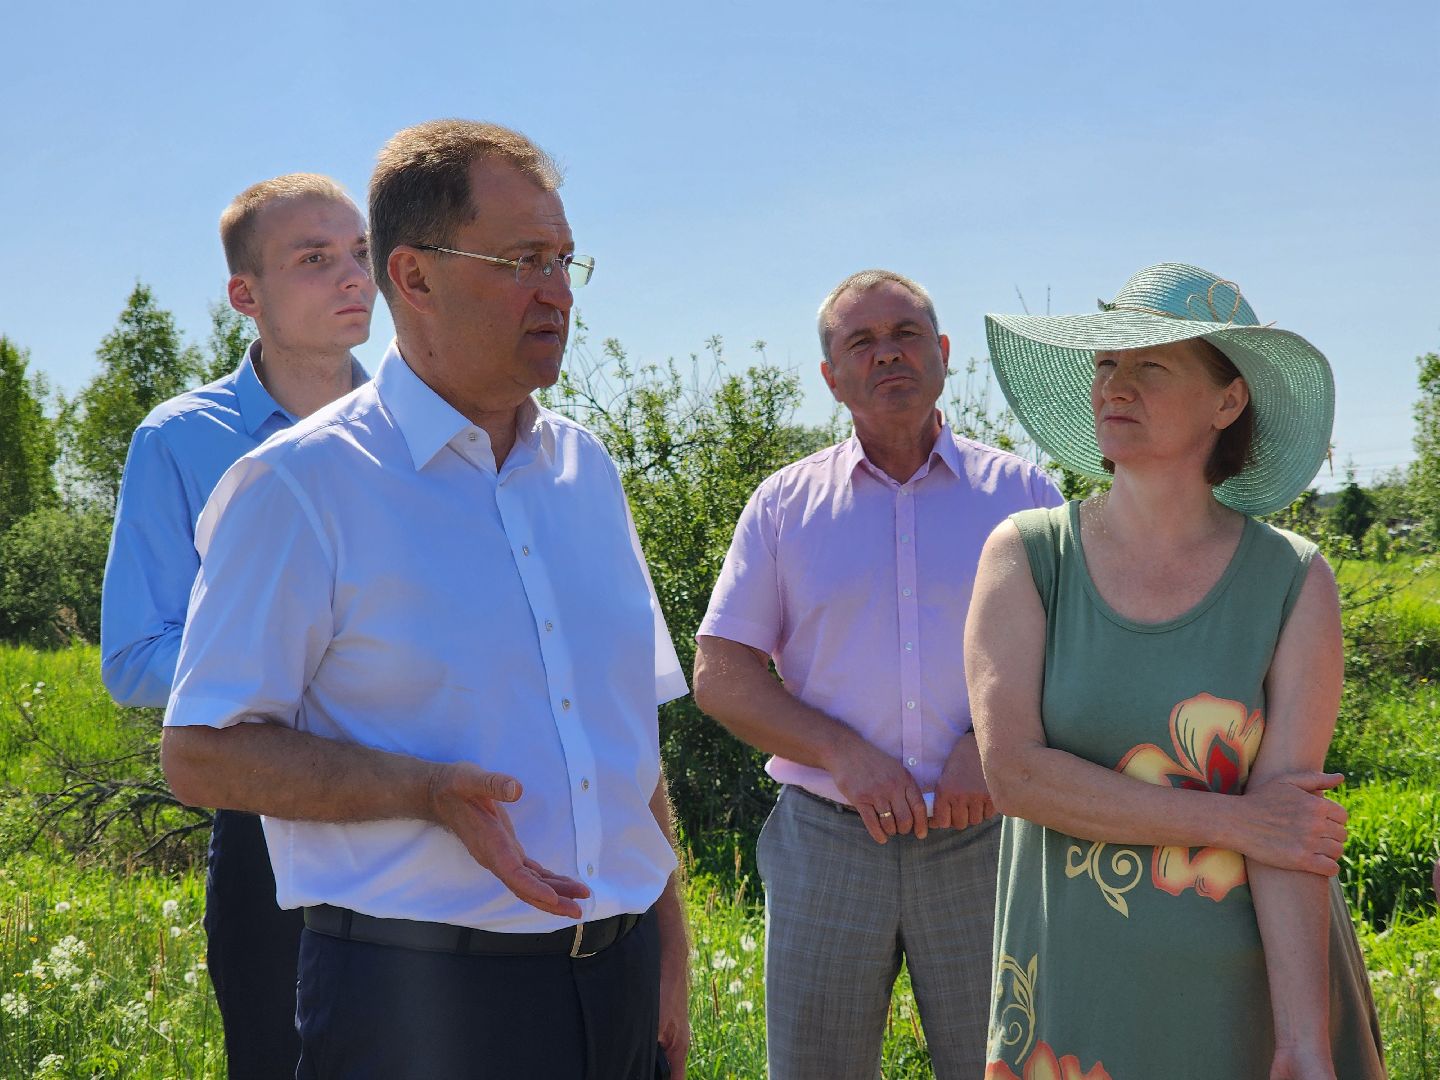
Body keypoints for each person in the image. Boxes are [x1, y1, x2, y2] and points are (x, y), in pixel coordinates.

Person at [159, 119, 691, 1080]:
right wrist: (425, 793)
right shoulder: (299, 486)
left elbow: (625, 735)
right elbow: (200, 754)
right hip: (417, 1007)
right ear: (413, 277)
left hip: (618, 987)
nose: (558, 292)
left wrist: (670, 950)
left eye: (565, 260)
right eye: (523, 261)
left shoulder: (587, 472)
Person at [966, 263, 1386, 1079]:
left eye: (1150, 365)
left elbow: (1290, 829)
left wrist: (1302, 1041)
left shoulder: (1294, 579)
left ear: (1227, 402)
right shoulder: (1027, 556)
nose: (1115, 385)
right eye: (1105, 363)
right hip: (1074, 996)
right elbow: (1015, 776)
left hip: (1246, 1001)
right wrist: (1236, 822)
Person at [693, 270, 1061, 1079]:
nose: (887, 354)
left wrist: (990, 742)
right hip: (830, 837)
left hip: (988, 837)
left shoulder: (1025, 495)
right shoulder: (783, 506)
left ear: (944, 353)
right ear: (831, 378)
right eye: (861, 342)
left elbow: (1072, 652)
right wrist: (844, 755)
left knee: (1005, 1067)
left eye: (906, 334)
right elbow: (721, 673)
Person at [100, 172, 374, 1077]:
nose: (354, 276)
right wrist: (304, 665)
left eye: (361, 252)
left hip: (426, 807)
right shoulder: (179, 440)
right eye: (315, 259)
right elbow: (134, 657)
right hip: (268, 812)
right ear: (244, 295)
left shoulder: (420, 428)